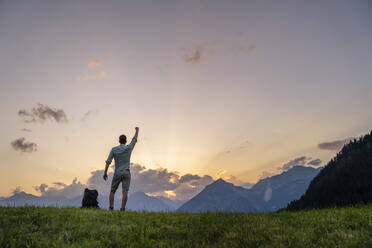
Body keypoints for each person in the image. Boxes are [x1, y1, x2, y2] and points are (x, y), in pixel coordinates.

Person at [103, 127, 139, 210]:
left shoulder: (114, 149)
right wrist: (137, 130)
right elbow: (134, 139)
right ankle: (122, 209)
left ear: (119, 141)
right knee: (125, 191)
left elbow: (108, 161)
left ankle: (111, 208)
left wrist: (105, 172)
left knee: (112, 191)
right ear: (126, 141)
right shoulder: (129, 148)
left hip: (118, 172)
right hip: (126, 172)